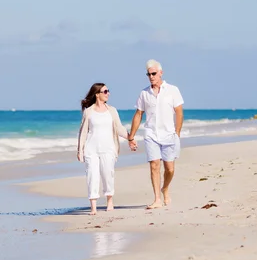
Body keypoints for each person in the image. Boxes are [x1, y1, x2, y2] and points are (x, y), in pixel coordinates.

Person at [128, 59, 184, 209]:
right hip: (151, 134)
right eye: (148, 74)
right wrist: (131, 136)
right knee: (154, 165)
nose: (151, 76)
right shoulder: (144, 93)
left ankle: (165, 188)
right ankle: (157, 199)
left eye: (153, 73)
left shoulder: (173, 90)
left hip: (169, 134)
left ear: (161, 73)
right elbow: (139, 114)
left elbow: (179, 112)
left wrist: (177, 132)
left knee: (170, 169)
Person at [77, 83, 130, 215]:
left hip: (108, 148)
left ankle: (109, 201)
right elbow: (83, 132)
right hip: (91, 149)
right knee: (92, 176)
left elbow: (119, 128)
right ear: (97, 94)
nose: (108, 94)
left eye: (108, 91)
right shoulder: (88, 112)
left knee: (108, 174)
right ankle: (93, 207)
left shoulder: (112, 110)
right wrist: (80, 150)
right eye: (105, 91)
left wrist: (131, 138)